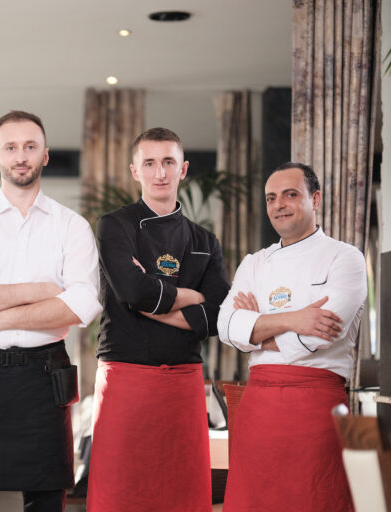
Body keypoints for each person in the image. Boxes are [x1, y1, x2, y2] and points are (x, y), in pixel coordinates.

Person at [0, 110, 102, 512]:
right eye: (10, 147)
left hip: (44, 378)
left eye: (30, 146)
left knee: (46, 501)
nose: (21, 156)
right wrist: (41, 291)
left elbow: (83, 304)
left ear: (46, 154)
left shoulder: (71, 226)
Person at [87, 127, 229, 512]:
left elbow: (217, 316)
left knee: (182, 496)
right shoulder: (115, 225)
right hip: (124, 380)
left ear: (183, 169)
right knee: (119, 496)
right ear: (135, 171)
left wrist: (151, 297)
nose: (160, 172)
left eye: (168, 162)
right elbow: (132, 292)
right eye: (149, 163)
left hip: (183, 383)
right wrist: (191, 296)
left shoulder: (204, 242)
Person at [218, 162, 365, 511]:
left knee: (315, 499)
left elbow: (320, 336)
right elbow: (226, 327)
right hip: (257, 409)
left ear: (315, 199)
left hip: (315, 408)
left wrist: (258, 327)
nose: (279, 204)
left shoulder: (346, 258)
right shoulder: (255, 262)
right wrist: (296, 318)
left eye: (290, 195)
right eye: (271, 198)